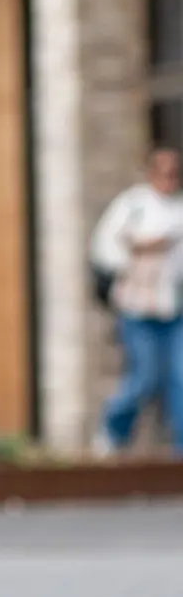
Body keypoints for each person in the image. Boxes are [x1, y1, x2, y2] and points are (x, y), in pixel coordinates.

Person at [91, 147, 183, 456]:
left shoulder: (179, 209)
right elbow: (106, 248)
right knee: (144, 377)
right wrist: (142, 249)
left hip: (173, 308)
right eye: (163, 172)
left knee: (179, 378)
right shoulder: (133, 206)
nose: (169, 179)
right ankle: (112, 433)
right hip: (137, 308)